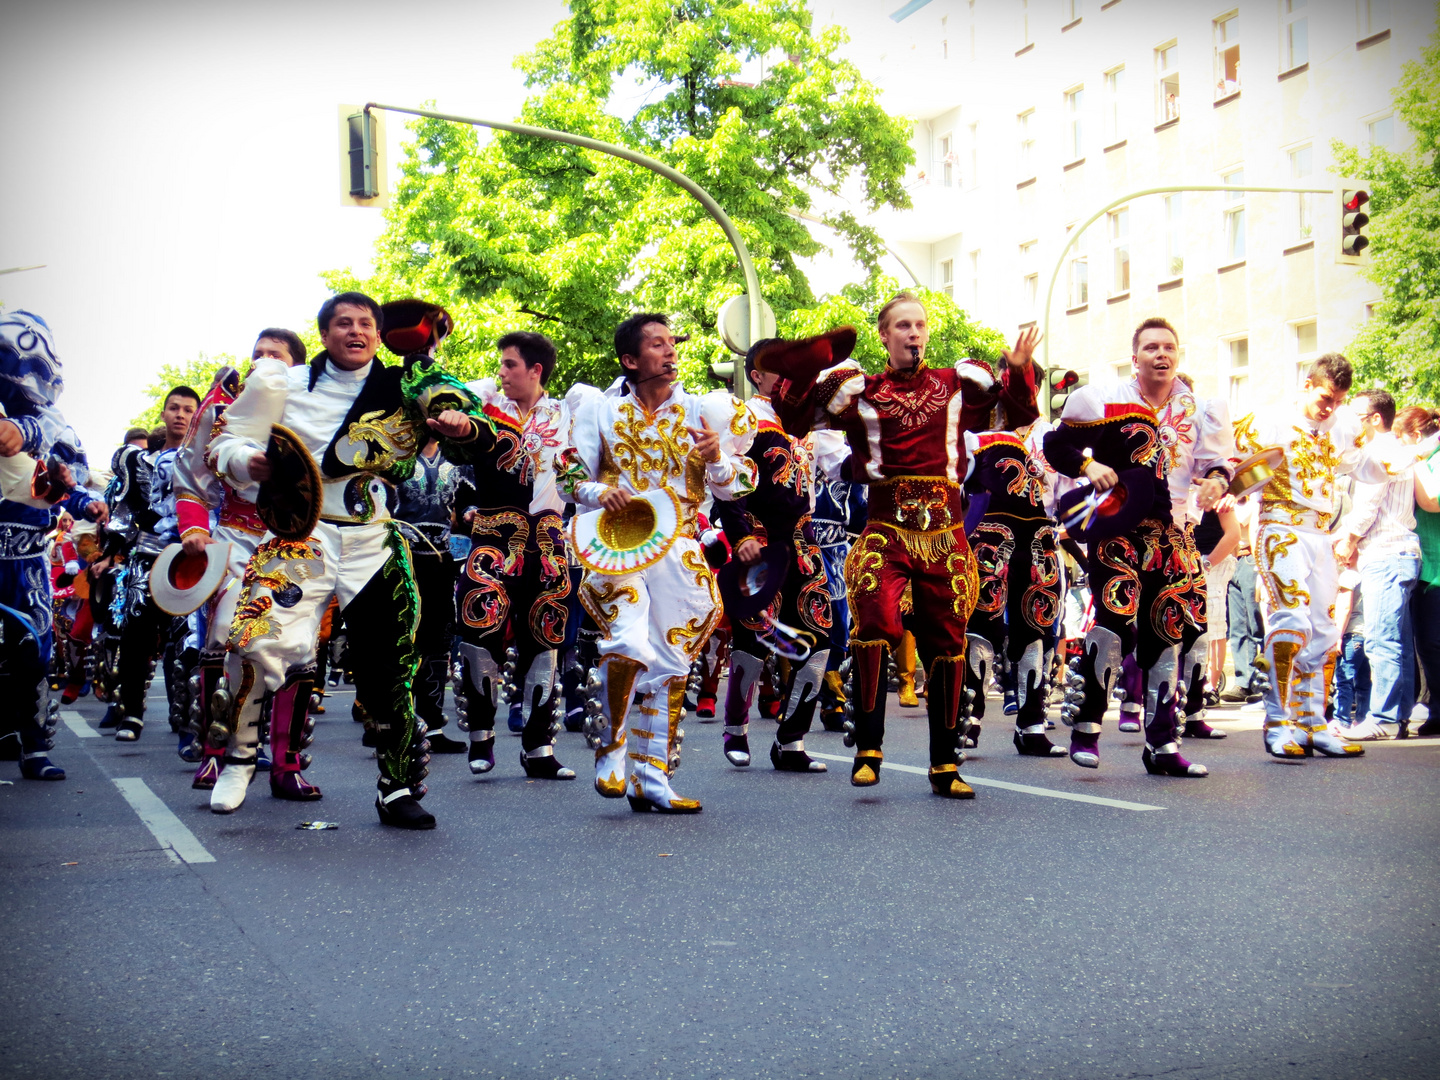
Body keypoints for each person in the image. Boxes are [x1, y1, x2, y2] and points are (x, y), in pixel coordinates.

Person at [207, 291, 488, 829]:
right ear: (325, 334)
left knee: (390, 667)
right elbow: (225, 443)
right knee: (256, 643)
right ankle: (239, 758)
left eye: (366, 324)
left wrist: (456, 422)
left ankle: (398, 786)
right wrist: (250, 460)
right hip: (300, 535)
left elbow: (465, 432)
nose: (355, 332)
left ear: (379, 336)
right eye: (343, 323)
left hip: (372, 540)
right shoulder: (279, 382)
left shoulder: (405, 390)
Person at [759, 294, 1041, 797]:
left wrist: (1018, 370)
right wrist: (804, 369)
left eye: (920, 325)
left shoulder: (959, 383)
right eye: (903, 326)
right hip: (885, 530)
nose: (915, 333)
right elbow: (796, 421)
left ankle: (946, 765)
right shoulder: (860, 390)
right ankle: (868, 749)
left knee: (946, 642)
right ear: (884, 335)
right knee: (877, 625)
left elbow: (1016, 413)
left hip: (946, 530)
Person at [560, 312, 756, 813]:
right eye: (656, 345)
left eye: (672, 344)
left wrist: (716, 458)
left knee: (671, 661)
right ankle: (611, 748)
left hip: (680, 550)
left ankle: (652, 778)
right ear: (631, 360)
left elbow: (740, 485)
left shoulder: (703, 411)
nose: (670, 352)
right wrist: (599, 490)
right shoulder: (599, 411)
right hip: (618, 544)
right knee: (625, 638)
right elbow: (567, 477)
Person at [1045, 318, 1231, 778]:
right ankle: (1087, 727)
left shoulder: (1202, 408)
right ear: (1136, 357)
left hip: (1174, 533)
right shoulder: (1102, 398)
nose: (1161, 354)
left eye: (1169, 347)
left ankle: (1163, 745)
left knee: (1168, 634)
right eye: (1151, 347)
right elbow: (1056, 445)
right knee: (1113, 622)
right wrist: (1089, 465)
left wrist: (1215, 482)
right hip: (1118, 529)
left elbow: (1218, 464)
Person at [1233, 354, 1413, 758]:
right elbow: (1236, 473)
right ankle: (1278, 722)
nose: (1330, 406)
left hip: (1320, 533)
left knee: (1324, 629)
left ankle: (1313, 722)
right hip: (1280, 527)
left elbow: (1368, 467)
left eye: (1338, 399)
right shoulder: (1268, 420)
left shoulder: (1345, 425)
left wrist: (1408, 455)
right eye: (1325, 396)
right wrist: (1234, 482)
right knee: (1291, 620)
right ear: (1308, 384)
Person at [176, 329, 306, 794]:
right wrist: (194, 527)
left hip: (297, 539)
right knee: (224, 636)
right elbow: (191, 481)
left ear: (296, 368)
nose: (264, 362)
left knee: (296, 650)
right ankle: (216, 751)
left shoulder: (316, 404)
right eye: (259, 355)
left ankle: (287, 762)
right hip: (234, 537)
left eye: (276, 356)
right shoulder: (221, 408)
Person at [711, 340, 844, 774]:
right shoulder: (742, 418)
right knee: (754, 637)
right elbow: (722, 479)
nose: (789, 376)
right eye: (779, 369)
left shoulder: (808, 425)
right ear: (757, 376)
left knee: (820, 638)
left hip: (804, 542)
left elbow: (846, 465)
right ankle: (735, 726)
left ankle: (791, 740)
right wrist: (740, 533)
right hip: (759, 537)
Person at [453, 330, 580, 780]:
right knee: (478, 633)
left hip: (547, 542)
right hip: (491, 538)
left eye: (509, 364)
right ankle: (481, 740)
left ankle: (539, 748)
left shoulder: (567, 413)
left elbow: (576, 473)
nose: (501, 372)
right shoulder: (485, 404)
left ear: (535, 370)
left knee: (545, 643)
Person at [0, 308, 107, 780]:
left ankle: (35, 746)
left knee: (34, 649)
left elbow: (71, 473)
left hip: (24, 556)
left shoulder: (48, 420)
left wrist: (86, 504)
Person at [963, 424, 1067, 757]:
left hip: (1040, 542)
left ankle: (1032, 725)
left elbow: (1068, 492)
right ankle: (968, 718)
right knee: (982, 628)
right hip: (989, 540)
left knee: (1036, 632)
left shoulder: (1051, 435)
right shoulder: (971, 437)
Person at [111, 385, 200, 742]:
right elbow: (122, 512)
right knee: (136, 637)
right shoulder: (137, 463)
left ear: (198, 416)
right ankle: (131, 713)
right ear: (162, 414)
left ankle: (184, 715)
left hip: (190, 560)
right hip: (145, 559)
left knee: (188, 640)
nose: (180, 414)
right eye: (174, 408)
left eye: (188, 409)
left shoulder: (207, 461)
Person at [1335, 390, 1422, 739]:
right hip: (1398, 553)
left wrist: (1347, 540)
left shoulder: (1380, 451)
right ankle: (1397, 717)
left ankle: (1384, 720)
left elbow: (1367, 508)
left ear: (1374, 419)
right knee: (1396, 640)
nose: (1349, 421)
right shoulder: (1393, 450)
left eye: (1356, 414)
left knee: (1382, 640)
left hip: (1386, 554)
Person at [1395, 405, 1440, 736]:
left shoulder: (1432, 457)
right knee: (1425, 644)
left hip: (1435, 565)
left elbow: (1432, 500)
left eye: (1401, 436)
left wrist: (1417, 458)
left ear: (1414, 434)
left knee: (1433, 643)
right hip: (1420, 562)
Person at [1220, 495, 1266, 704]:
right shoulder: (1228, 498)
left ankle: (1262, 679)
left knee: (1257, 624)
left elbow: (1238, 522)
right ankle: (1243, 681)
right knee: (1238, 626)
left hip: (1252, 559)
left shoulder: (1251, 498)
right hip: (1234, 560)